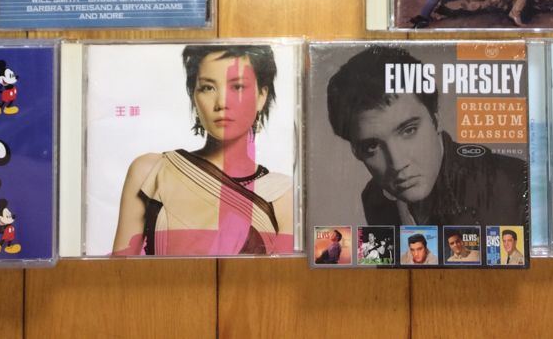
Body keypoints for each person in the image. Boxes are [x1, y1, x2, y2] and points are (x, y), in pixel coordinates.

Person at [112, 45, 292, 256]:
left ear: (261, 96)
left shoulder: (282, 194)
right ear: (193, 96)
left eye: (238, 87)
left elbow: (282, 276)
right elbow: (118, 271)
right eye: (208, 88)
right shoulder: (151, 172)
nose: (222, 103)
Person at [326, 45, 527, 228]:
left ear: (436, 119)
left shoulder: (514, 184)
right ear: (356, 152)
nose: (397, 164)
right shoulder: (375, 199)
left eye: (408, 130)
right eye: (372, 146)